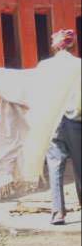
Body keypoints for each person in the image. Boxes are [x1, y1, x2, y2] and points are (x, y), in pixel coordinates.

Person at [46, 29, 82, 226]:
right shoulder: (79, 65)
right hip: (76, 120)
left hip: (53, 122)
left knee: (54, 165)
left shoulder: (45, 67)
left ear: (55, 46)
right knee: (80, 166)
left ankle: (57, 213)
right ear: (73, 45)